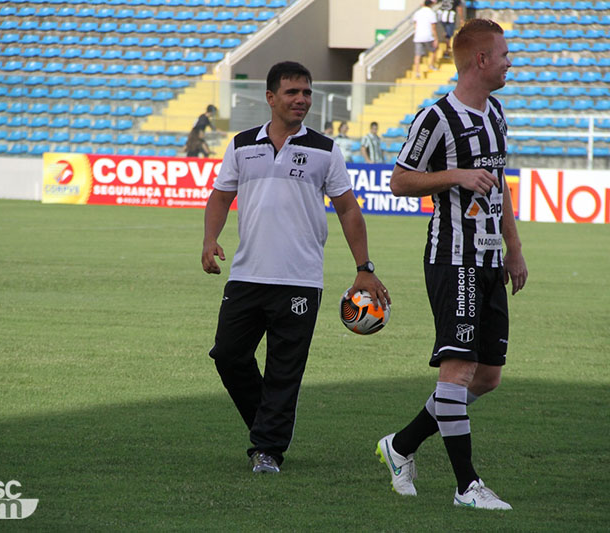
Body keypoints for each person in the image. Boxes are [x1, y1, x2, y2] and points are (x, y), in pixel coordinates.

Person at [202, 61, 390, 474]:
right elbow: (220, 197)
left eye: (306, 93)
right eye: (292, 92)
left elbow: (348, 210)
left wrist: (365, 267)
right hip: (247, 274)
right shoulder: (240, 145)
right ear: (271, 98)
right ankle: (267, 425)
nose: (301, 99)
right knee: (228, 356)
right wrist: (209, 238)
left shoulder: (325, 149)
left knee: (284, 370)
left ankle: (267, 449)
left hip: (299, 281)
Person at [376, 19, 527, 510]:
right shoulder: (436, 117)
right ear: (479, 60)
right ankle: (467, 486)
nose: (509, 61)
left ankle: (400, 446)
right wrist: (457, 174)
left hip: (488, 259)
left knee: (486, 378)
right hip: (452, 257)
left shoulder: (497, 112)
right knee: (458, 371)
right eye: (503, 54)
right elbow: (399, 181)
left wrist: (515, 248)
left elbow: (499, 186)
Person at [412, 0, 439, 77]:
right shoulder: (431, 13)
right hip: (428, 35)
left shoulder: (417, 13)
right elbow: (433, 27)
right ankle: (431, 65)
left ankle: (417, 72)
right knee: (434, 49)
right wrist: (436, 38)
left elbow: (415, 25)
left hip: (418, 36)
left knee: (417, 55)